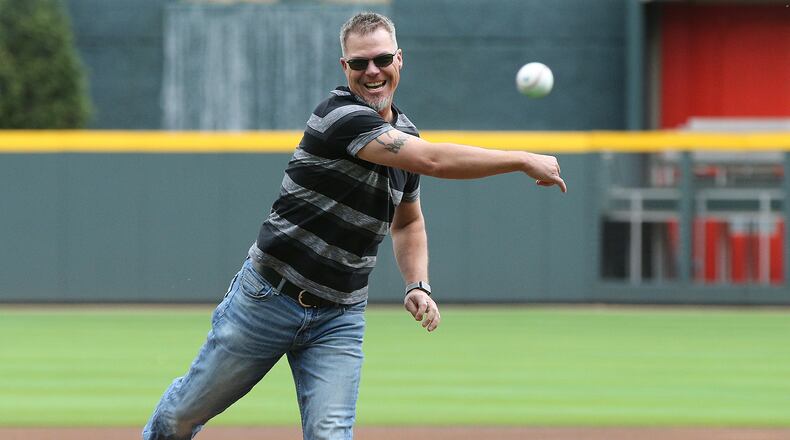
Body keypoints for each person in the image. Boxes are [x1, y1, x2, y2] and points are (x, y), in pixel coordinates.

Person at [143, 11, 566, 440]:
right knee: (180, 417)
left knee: (331, 436)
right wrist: (521, 158)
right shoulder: (339, 116)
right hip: (268, 299)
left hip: (338, 315)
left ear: (400, 59)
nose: (372, 71)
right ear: (344, 68)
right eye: (359, 63)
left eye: (382, 59)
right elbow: (434, 160)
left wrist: (417, 283)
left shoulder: (407, 134)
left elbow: (408, 222)